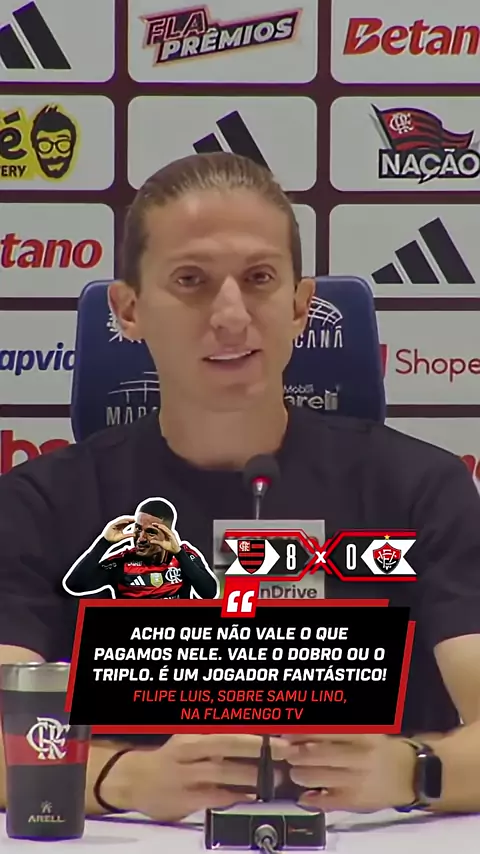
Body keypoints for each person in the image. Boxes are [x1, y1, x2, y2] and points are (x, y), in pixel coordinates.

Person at [1, 151, 480, 820]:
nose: (230, 315)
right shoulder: (41, 504)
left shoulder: (421, 490)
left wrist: (413, 769)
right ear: (129, 310)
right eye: (191, 280)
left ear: (301, 305)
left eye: (258, 278)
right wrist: (126, 780)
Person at [62, 497, 217, 599]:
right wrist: (104, 543)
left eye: (151, 532)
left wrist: (179, 553)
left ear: (167, 534)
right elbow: (74, 585)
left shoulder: (185, 556)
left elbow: (209, 593)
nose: (141, 538)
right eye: (138, 529)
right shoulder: (122, 562)